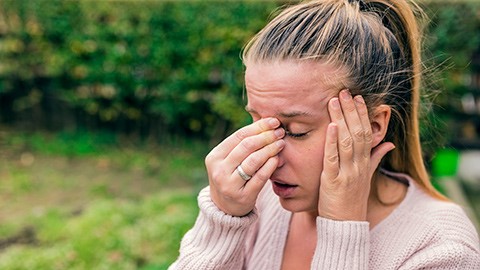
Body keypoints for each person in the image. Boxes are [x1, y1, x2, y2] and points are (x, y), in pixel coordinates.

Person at [169, 0, 480, 269]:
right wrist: (224, 220)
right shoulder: (258, 203)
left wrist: (342, 230)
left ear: (372, 127)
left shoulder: (441, 249)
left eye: (295, 131)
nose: (266, 155)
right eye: (257, 122)